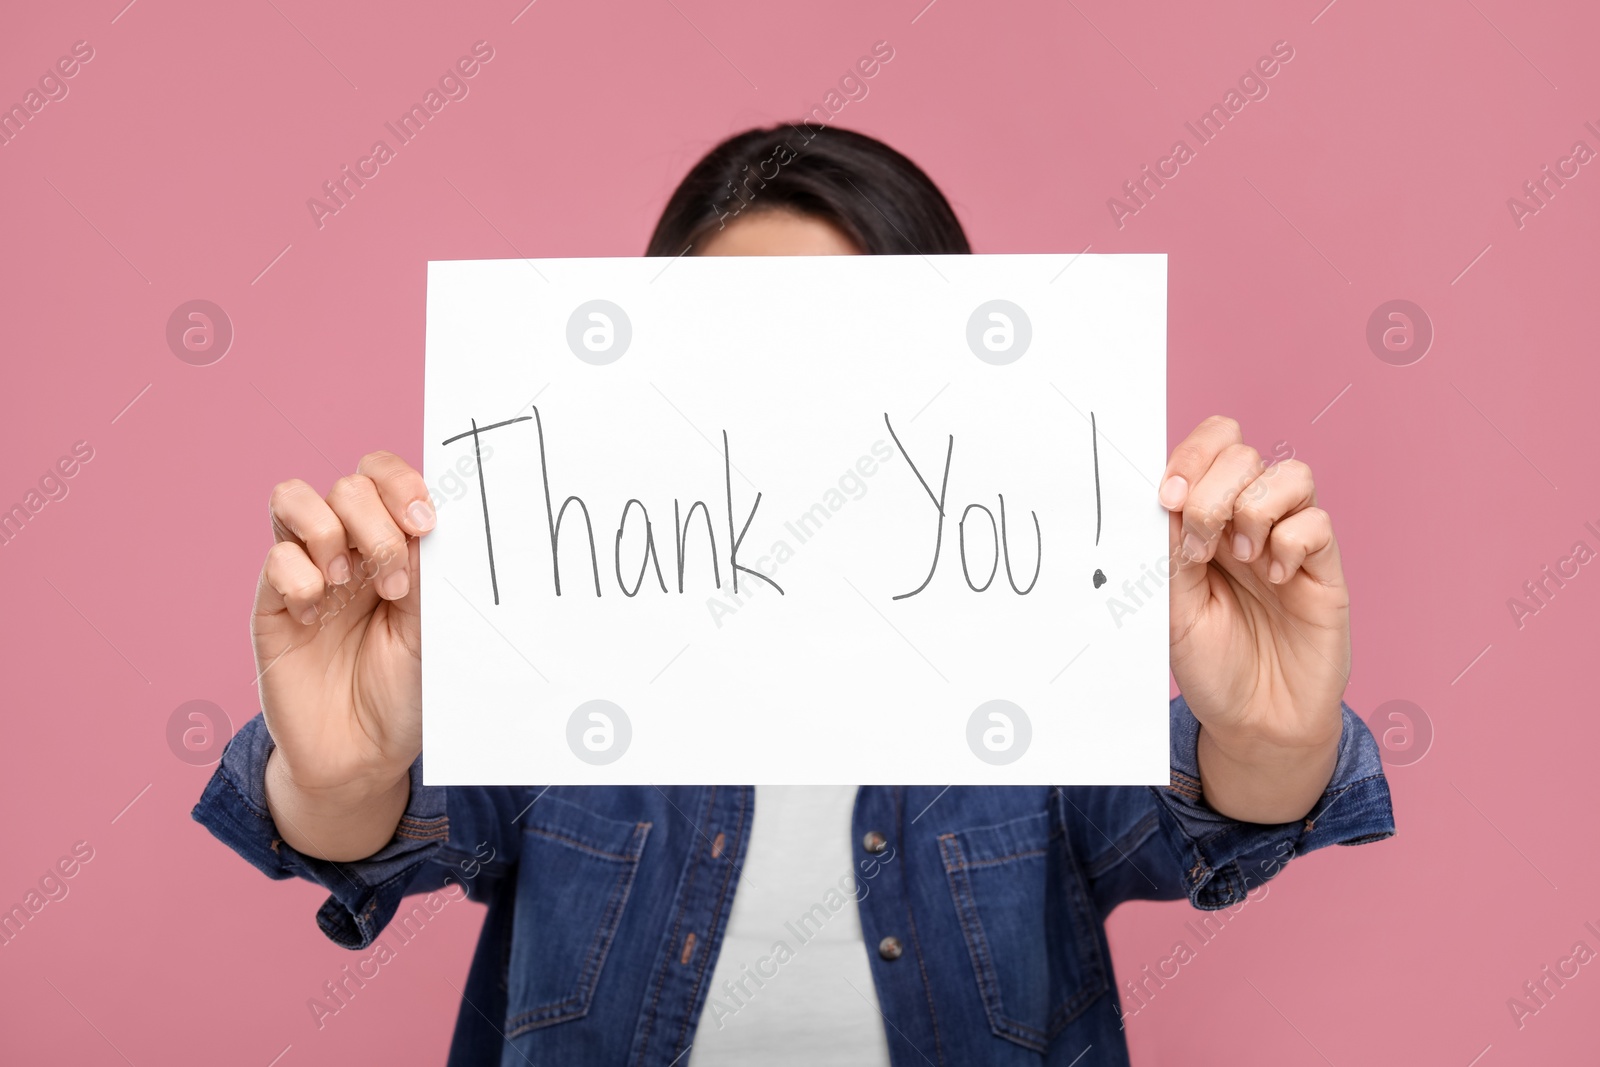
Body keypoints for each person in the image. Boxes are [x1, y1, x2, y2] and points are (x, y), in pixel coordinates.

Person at [194, 125, 1394, 1067]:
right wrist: (344, 774)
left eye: (855, 351)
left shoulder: (1025, 683)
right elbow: (375, 826)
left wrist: (1273, 736)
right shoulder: (567, 663)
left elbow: (1207, 809)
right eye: (739, 349)